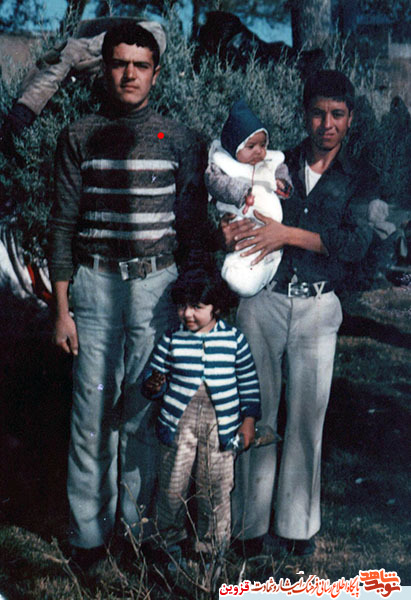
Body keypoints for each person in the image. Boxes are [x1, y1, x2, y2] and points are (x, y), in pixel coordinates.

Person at [48, 20, 208, 568]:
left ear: (156, 73)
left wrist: (193, 299)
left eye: (141, 66)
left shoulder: (180, 139)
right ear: (105, 69)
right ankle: (89, 538)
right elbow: (62, 225)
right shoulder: (78, 136)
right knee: (92, 412)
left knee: (145, 410)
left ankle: (138, 534)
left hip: (156, 290)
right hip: (95, 289)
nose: (129, 75)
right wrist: (62, 310)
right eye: (119, 64)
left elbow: (191, 227)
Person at [212, 70, 373, 556]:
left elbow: (354, 243)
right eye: (318, 113)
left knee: (306, 417)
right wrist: (228, 230)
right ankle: (248, 524)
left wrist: (287, 236)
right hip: (263, 299)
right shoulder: (276, 161)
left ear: (350, 119)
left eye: (337, 114)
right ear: (305, 114)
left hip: (318, 306)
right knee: (255, 409)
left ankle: (297, 526)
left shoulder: (360, 176)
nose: (327, 124)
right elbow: (233, 200)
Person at [142, 269, 261, 558]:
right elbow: (154, 377)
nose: (187, 314)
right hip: (178, 425)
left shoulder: (234, 340)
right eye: (182, 306)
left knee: (215, 488)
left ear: (216, 307)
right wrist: (154, 384)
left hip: (220, 428)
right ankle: (168, 545)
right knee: (172, 486)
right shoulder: (172, 339)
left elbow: (248, 385)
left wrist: (248, 421)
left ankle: (211, 550)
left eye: (197, 306)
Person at [205, 99, 292, 297]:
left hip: (271, 227)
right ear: (234, 147)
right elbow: (215, 183)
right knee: (244, 261)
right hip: (243, 221)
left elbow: (281, 169)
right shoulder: (225, 166)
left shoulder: (269, 161)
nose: (259, 151)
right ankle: (239, 273)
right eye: (251, 146)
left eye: (263, 145)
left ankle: (270, 265)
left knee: (265, 255)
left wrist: (282, 184)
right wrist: (240, 192)